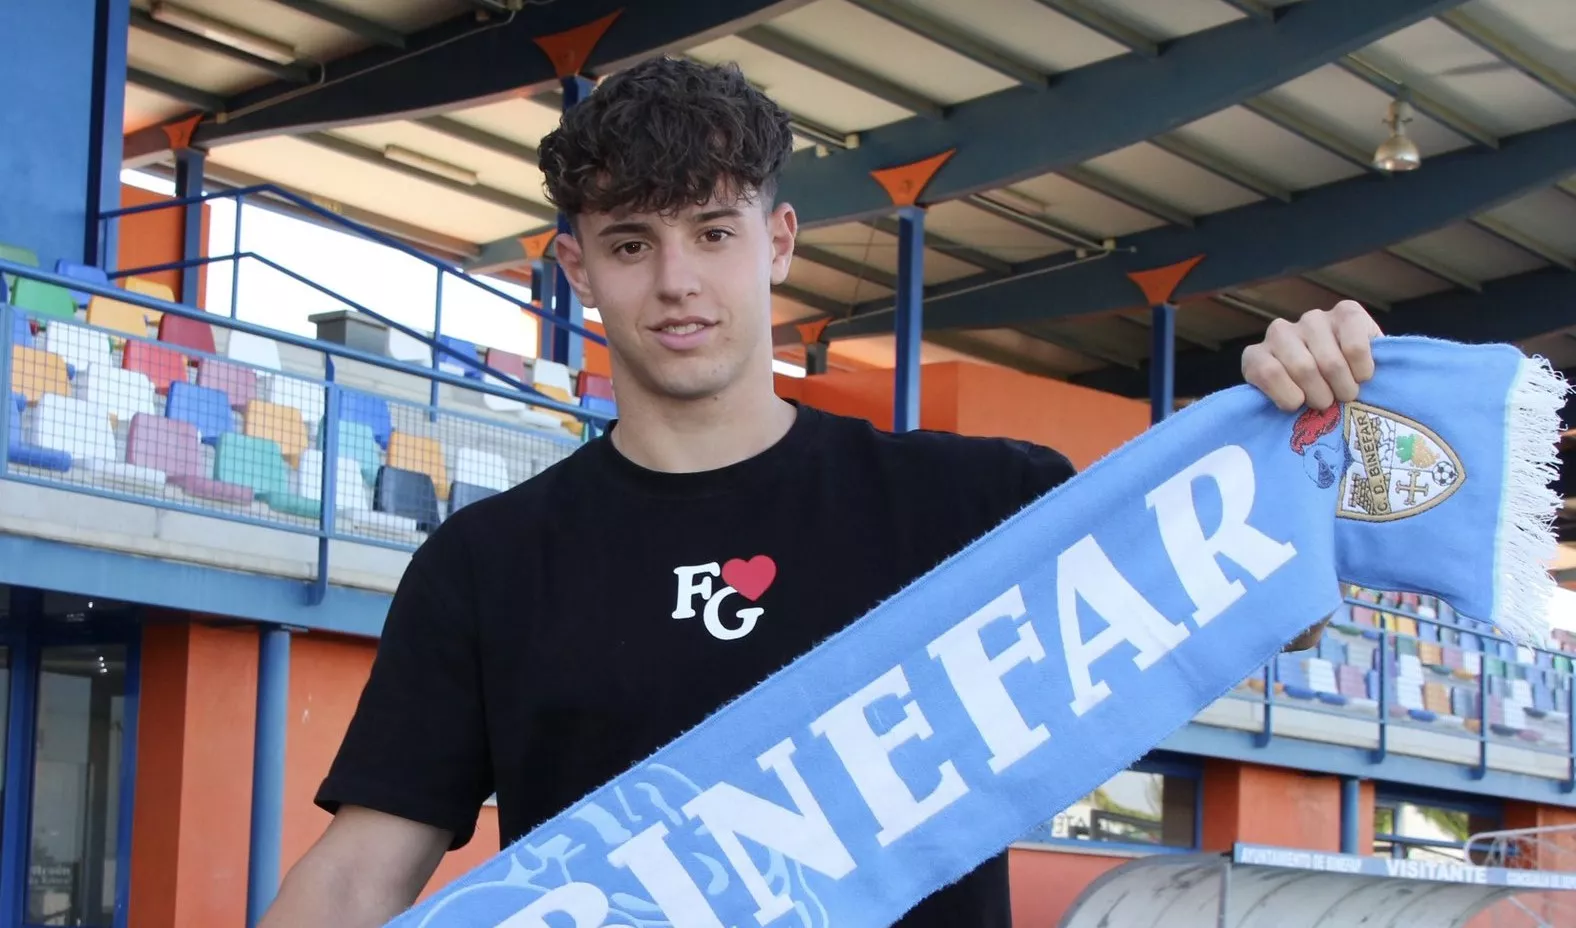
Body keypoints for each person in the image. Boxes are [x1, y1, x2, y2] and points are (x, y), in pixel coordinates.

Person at [258, 56, 1384, 927]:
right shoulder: (489, 563)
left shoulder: (971, 506)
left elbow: (1268, 608)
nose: (679, 282)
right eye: (632, 243)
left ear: (779, 240)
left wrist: (1312, 416)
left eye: (712, 231)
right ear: (575, 267)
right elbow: (363, 870)